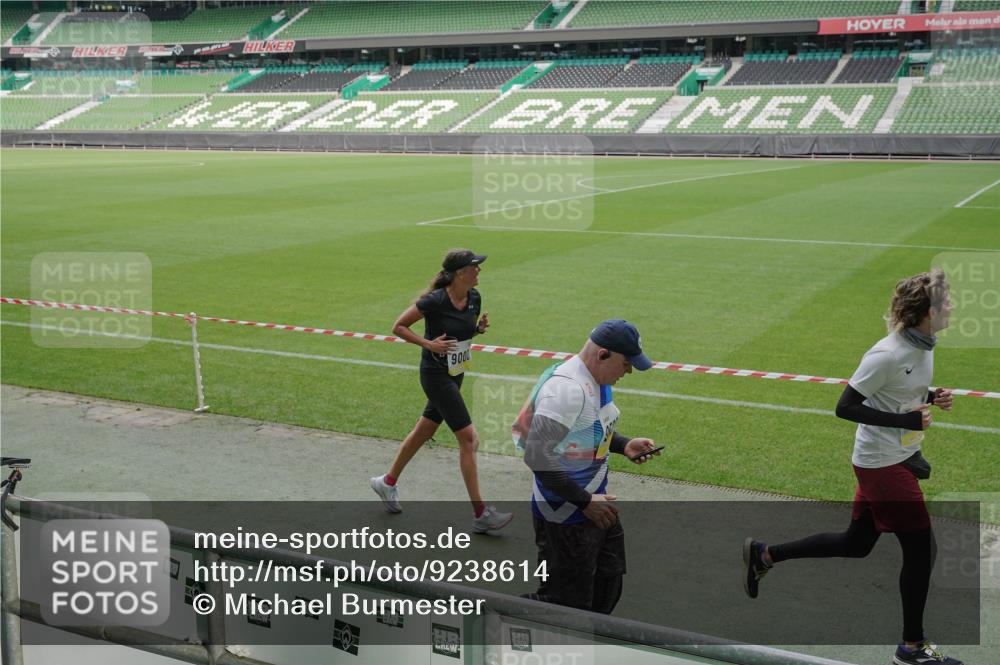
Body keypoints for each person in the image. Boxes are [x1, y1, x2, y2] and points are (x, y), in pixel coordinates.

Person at [743, 269, 960, 665]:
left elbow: (897, 389)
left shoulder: (924, 343)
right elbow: (845, 407)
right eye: (946, 301)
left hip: (893, 458)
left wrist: (932, 395)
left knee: (856, 544)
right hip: (883, 464)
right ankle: (911, 649)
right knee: (920, 550)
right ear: (927, 310)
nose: (952, 306)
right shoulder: (887, 352)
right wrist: (906, 422)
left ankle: (765, 555)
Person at [514, 320, 661, 614]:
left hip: (593, 505)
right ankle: (489, 616)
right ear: (603, 354)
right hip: (567, 517)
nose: (628, 371)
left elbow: (586, 431)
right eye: (626, 363)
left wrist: (623, 444)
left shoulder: (596, 379)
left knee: (607, 586)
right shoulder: (566, 390)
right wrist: (584, 502)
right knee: (565, 606)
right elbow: (536, 455)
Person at [371, 249, 513, 534]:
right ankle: (481, 512)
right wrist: (429, 345)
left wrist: (477, 331)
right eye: (475, 267)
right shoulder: (434, 300)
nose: (479, 271)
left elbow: (460, 332)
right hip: (436, 376)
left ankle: (386, 482)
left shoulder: (474, 298)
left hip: (455, 374)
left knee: (424, 430)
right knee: (469, 439)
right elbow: (398, 326)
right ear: (461, 272)